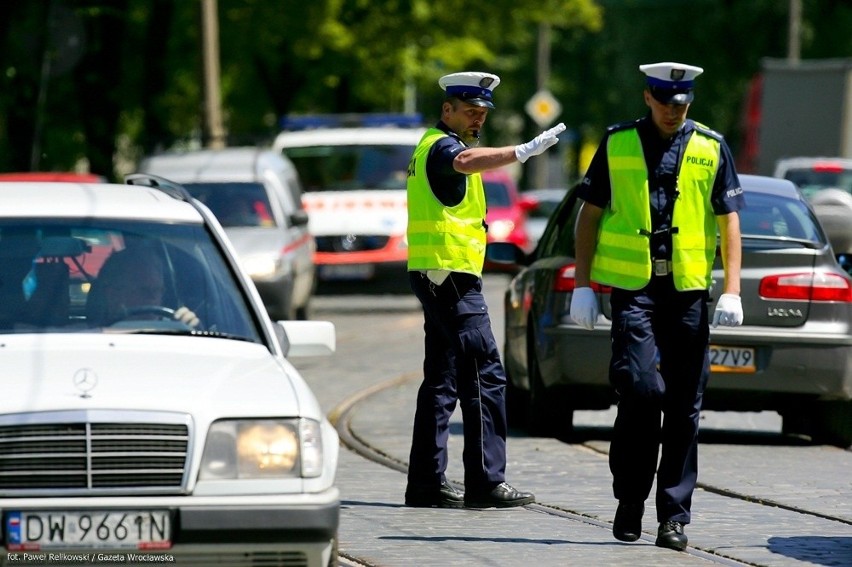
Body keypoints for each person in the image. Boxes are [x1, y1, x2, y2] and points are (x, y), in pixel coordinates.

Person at [569, 62, 745, 550]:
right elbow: (590, 214)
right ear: (648, 97)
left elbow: (728, 219)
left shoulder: (711, 146)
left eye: (683, 104)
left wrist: (731, 288)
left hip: (687, 291)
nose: (675, 111)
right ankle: (630, 500)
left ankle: (674, 516)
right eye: (667, 102)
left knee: (686, 406)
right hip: (634, 291)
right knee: (642, 393)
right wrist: (583, 284)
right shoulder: (618, 142)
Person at [404, 70, 565, 509]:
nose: (477, 120)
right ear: (447, 110)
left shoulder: (426, 147)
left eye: (482, 114)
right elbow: (464, 163)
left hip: (435, 272)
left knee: (441, 379)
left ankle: (424, 483)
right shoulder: (443, 148)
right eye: (470, 112)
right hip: (451, 278)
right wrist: (522, 151)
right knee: (485, 372)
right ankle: (485, 481)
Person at [88, 246, 200, 328]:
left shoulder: (174, 333)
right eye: (144, 291)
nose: (152, 298)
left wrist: (188, 328)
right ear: (113, 294)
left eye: (157, 291)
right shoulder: (83, 339)